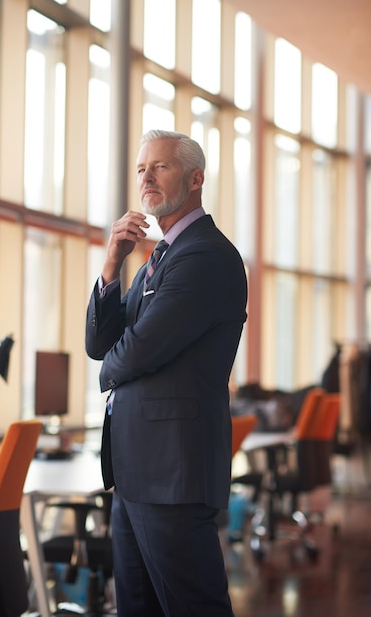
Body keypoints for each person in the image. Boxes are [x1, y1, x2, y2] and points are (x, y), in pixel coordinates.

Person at [85, 129, 247, 616]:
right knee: (138, 608)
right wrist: (113, 263)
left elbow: (137, 351)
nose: (147, 178)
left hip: (173, 473)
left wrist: (107, 377)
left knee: (193, 607)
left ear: (195, 179)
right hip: (137, 471)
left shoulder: (206, 255)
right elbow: (100, 344)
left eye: (160, 167)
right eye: (141, 169)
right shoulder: (160, 257)